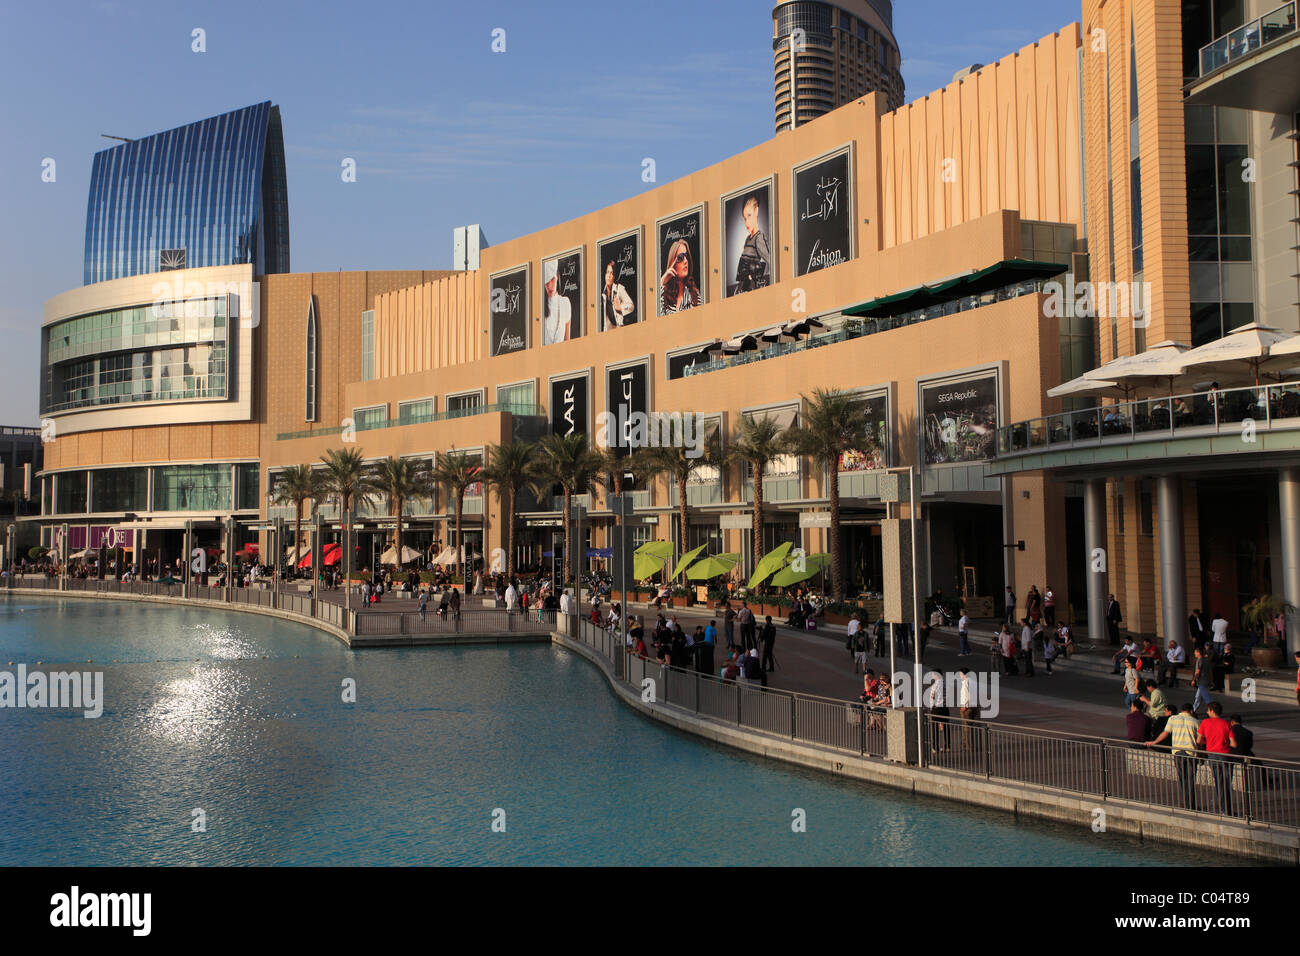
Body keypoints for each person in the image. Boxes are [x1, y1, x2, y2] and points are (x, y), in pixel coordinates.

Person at [1147, 703, 1200, 810]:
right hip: (1191, 753)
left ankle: (1186, 803)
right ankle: (1191, 805)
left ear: (1182, 710)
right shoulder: (1195, 722)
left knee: (1182, 779)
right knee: (1190, 780)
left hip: (1177, 752)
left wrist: (1154, 742)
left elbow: (1165, 733)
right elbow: (1199, 739)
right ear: (1191, 711)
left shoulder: (1173, 719)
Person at [1197, 702, 1234, 816]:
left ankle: (1223, 809)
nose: (1207, 712)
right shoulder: (1226, 724)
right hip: (1225, 755)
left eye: (1208, 710)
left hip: (1212, 755)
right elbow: (1234, 744)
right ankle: (1227, 809)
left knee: (1219, 782)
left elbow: (1199, 740)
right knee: (1227, 783)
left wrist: (1208, 742)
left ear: (1212, 711)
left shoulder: (1205, 722)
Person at [733, 194, 772, 292]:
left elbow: (771, 260)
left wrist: (756, 276)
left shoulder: (759, 238)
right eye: (744, 218)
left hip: (751, 288)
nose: (746, 222)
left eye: (749, 215)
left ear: (756, 211)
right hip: (743, 287)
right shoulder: (748, 239)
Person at [659, 239, 701, 314]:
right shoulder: (664, 295)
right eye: (680, 257)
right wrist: (662, 282)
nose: (685, 261)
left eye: (686, 256)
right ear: (672, 263)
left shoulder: (695, 296)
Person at [542, 259, 572, 344]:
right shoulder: (540, 306)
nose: (549, 286)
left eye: (552, 279)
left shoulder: (565, 303)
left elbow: (567, 343)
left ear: (558, 276)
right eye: (546, 282)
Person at [599, 259, 635, 331]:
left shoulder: (619, 289)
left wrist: (620, 307)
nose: (609, 276)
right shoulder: (602, 293)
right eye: (607, 272)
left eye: (611, 273)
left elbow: (631, 306)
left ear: (614, 276)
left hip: (619, 330)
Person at [1192, 646, 1214, 715]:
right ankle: (1193, 710)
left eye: (1195, 652)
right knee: (1198, 697)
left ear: (1198, 653)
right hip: (1206, 680)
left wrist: (1194, 680)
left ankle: (1212, 710)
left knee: (1206, 697)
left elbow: (1197, 671)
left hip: (1201, 681)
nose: (1194, 653)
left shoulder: (1200, 660)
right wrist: (1211, 680)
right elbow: (1210, 671)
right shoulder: (1207, 660)